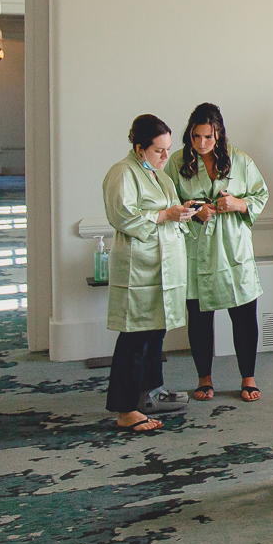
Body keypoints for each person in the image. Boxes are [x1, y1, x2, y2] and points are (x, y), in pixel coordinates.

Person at [168, 103, 269, 402]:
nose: (201, 144)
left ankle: (248, 377)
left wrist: (237, 203)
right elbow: (171, 202)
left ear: (219, 134)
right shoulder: (177, 162)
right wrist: (195, 211)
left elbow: (261, 194)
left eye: (208, 137)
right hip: (197, 247)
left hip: (233, 248)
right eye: (195, 136)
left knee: (244, 314)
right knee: (199, 316)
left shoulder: (239, 160)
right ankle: (204, 379)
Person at [102, 114, 195, 432]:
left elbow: (167, 212)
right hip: (139, 268)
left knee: (156, 332)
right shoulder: (122, 173)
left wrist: (183, 212)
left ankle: (151, 393)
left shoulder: (159, 175)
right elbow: (123, 216)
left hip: (164, 267)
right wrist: (164, 214)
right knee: (135, 337)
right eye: (159, 150)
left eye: (168, 149)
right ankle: (125, 409)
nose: (166, 157)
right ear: (140, 148)